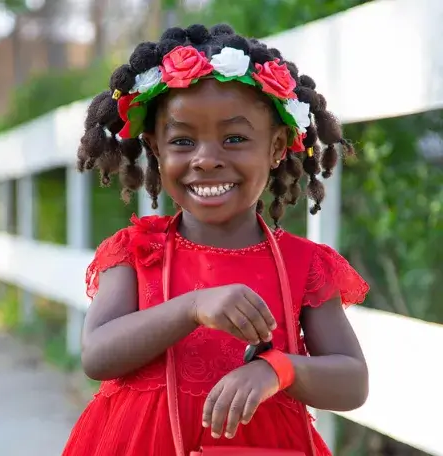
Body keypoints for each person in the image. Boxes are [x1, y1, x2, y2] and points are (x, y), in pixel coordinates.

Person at [63, 23, 370, 456]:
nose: (207, 159)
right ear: (155, 148)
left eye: (235, 139)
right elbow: (97, 355)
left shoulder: (305, 265)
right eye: (183, 140)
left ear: (278, 145)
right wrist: (191, 307)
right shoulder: (137, 252)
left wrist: (277, 369)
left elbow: (352, 382)